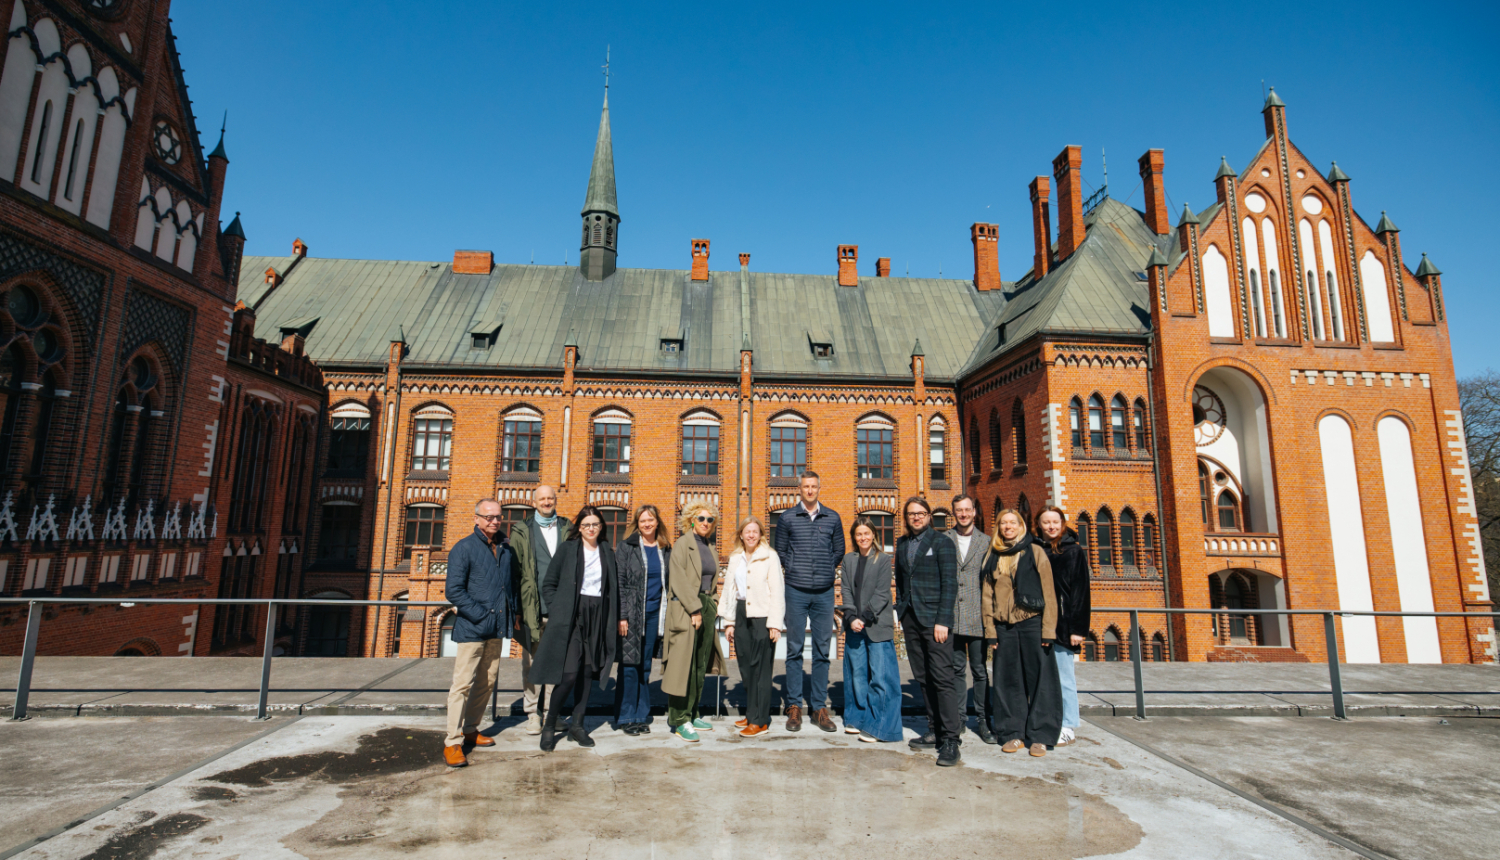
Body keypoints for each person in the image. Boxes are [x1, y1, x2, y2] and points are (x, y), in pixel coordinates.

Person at [532, 506, 620, 752]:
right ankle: (550, 724)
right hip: (572, 615)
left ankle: (577, 725)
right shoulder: (568, 549)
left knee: (587, 672)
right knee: (569, 674)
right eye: (586, 525)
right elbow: (549, 584)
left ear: (601, 526)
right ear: (579, 527)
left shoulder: (606, 550)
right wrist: (558, 609)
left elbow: (612, 588)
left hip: (597, 615)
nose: (591, 529)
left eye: (595, 524)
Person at [442, 499, 517, 768]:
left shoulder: (505, 548)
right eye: (488, 517)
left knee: (487, 681)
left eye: (498, 517)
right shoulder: (464, 548)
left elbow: (510, 586)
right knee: (462, 684)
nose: (494, 521)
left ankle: (471, 729)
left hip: (496, 627)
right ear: (476, 519)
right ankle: (452, 742)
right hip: (473, 627)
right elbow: (454, 590)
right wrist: (481, 615)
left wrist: (513, 614)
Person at [982, 508, 1062, 757]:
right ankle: (1012, 733)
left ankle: (1040, 736)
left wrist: (1048, 630)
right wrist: (990, 631)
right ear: (998, 527)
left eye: (1012, 522)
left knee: (1041, 680)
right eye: (1003, 523)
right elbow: (987, 596)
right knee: (1008, 681)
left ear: (1021, 526)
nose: (1008, 527)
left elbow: (1049, 593)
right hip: (1004, 627)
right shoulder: (993, 555)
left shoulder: (1035, 551)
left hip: (1032, 623)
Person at [773, 471, 845, 733]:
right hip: (795, 591)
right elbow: (781, 551)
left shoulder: (832, 517)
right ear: (800, 489)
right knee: (794, 649)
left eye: (814, 486)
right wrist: (794, 569)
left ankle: (818, 708)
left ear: (819, 488)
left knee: (822, 651)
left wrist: (825, 570)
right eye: (806, 486)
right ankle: (793, 705)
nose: (810, 490)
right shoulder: (787, 517)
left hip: (824, 592)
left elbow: (839, 550)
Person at [895, 495, 962, 767]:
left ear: (928, 516)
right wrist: (901, 611)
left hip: (935, 621)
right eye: (911, 514)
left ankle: (951, 740)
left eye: (920, 513)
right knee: (923, 677)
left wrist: (943, 620)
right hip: (911, 619)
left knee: (942, 678)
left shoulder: (942, 542)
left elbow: (950, 584)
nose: (916, 517)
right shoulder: (902, 544)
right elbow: (902, 580)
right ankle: (935, 730)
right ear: (906, 518)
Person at [662, 501, 727, 742]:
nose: (705, 523)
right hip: (687, 608)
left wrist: (714, 601)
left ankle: (693, 712)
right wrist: (695, 609)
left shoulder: (710, 546)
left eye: (710, 520)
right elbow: (678, 580)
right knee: (684, 665)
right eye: (701, 518)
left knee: (700, 664)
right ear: (691, 520)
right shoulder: (682, 544)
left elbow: (712, 580)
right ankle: (680, 719)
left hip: (706, 606)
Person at [511, 485, 570, 735]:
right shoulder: (522, 530)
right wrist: (516, 608)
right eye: (542, 499)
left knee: (557, 663)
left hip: (560, 608)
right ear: (534, 502)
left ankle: (551, 713)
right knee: (532, 664)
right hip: (531, 609)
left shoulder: (567, 528)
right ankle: (532, 714)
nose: (547, 502)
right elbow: (513, 572)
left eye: (550, 498)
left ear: (556, 500)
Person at [719, 516, 785, 737]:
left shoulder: (770, 556)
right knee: (746, 668)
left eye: (755, 531)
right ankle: (751, 713)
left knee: (761, 669)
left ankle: (760, 721)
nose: (751, 535)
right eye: (747, 531)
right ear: (741, 534)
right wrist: (729, 622)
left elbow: (777, 590)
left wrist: (775, 623)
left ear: (761, 535)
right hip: (740, 613)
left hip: (762, 616)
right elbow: (729, 590)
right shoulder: (735, 557)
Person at [839, 517, 902, 743]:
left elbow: (883, 593)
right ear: (854, 537)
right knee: (856, 676)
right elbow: (845, 589)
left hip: (876, 625)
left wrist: (863, 618)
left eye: (866, 533)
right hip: (854, 626)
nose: (863, 537)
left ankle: (882, 727)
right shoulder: (849, 559)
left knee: (881, 678)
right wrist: (851, 617)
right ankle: (857, 718)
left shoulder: (883, 559)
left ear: (873, 534)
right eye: (859, 534)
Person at [615, 504, 671, 735]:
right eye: (642, 521)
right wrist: (622, 615)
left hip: (654, 614)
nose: (647, 524)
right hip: (631, 615)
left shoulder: (664, 548)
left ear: (657, 522)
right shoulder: (626, 547)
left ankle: (641, 715)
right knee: (630, 666)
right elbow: (620, 582)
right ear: (637, 524)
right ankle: (626, 716)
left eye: (650, 520)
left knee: (645, 666)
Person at [1036, 506, 1089, 747]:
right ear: (1039, 525)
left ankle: (1067, 724)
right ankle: (1045, 720)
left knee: (1064, 677)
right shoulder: (1036, 549)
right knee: (1042, 677)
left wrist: (1078, 629)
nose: (1051, 526)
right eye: (1046, 522)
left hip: (1063, 624)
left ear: (1062, 523)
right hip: (1038, 624)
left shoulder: (1073, 551)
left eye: (1055, 522)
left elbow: (1081, 591)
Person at [945, 494, 995, 744]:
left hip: (978, 616)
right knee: (956, 670)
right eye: (959, 510)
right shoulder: (945, 539)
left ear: (974, 512)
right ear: (953, 513)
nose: (963, 514)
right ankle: (960, 719)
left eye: (967, 510)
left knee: (979, 671)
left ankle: (984, 720)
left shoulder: (987, 542)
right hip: (952, 616)